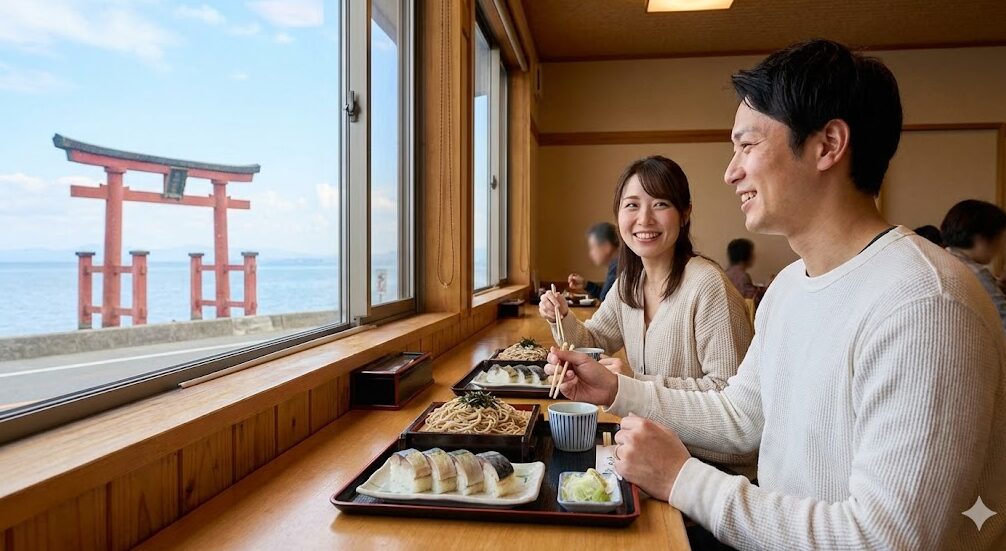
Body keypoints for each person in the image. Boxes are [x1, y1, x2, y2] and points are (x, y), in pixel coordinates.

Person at [547, 39, 1005, 550]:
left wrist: (682, 479)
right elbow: (743, 418)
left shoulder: (925, 304)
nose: (731, 171)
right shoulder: (790, 286)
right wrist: (615, 392)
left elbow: (885, 539)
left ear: (828, 145)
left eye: (748, 146)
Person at [539, 155, 756, 473]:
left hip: (708, 471)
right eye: (631, 205)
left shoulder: (707, 285)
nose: (644, 219)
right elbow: (593, 340)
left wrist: (633, 384)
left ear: (685, 214)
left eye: (660, 204)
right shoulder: (630, 280)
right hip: (651, 452)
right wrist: (562, 316)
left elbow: (733, 405)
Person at [941, 199, 1006, 330]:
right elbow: (1002, 321)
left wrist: (997, 286)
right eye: (1000, 238)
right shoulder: (977, 273)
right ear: (981, 238)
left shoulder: (942, 258)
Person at [566, 222, 619, 301]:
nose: (591, 254)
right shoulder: (616, 265)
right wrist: (585, 284)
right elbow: (605, 296)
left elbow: (605, 300)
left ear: (606, 246)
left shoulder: (617, 268)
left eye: (592, 247)